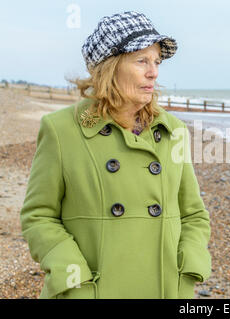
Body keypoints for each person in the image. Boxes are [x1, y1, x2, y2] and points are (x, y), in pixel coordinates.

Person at [20, 11, 211, 299]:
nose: (154, 72)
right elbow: (39, 216)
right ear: (110, 67)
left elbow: (194, 214)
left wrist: (188, 269)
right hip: (92, 290)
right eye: (142, 60)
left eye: (156, 61)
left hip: (164, 289)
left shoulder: (174, 132)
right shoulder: (61, 130)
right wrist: (74, 278)